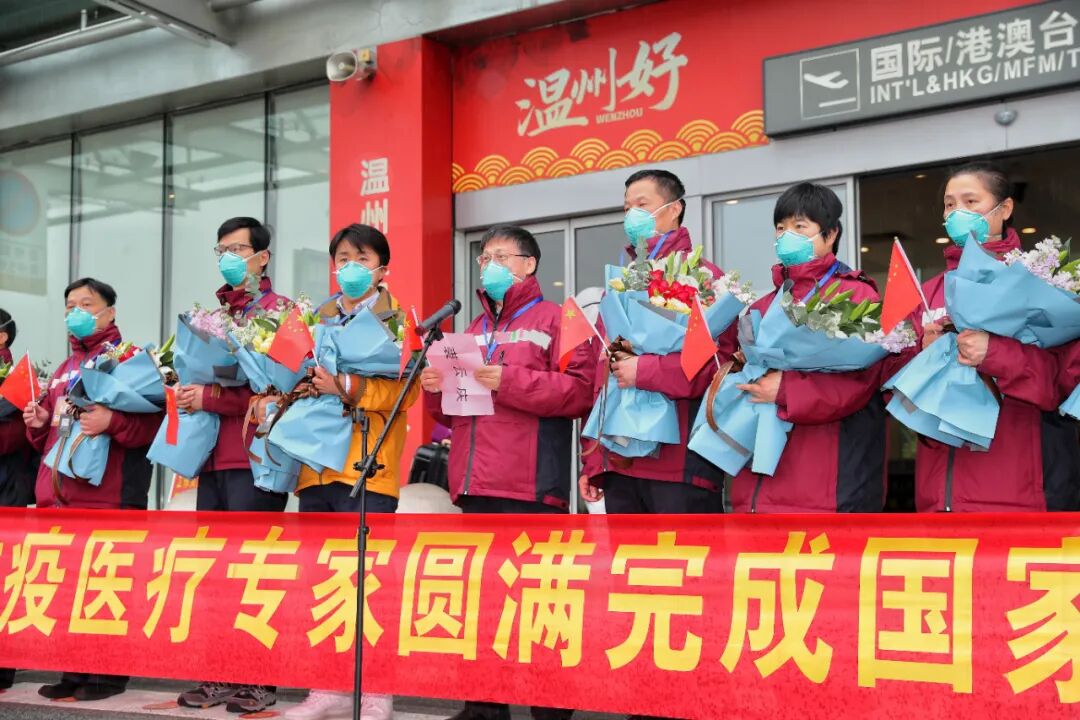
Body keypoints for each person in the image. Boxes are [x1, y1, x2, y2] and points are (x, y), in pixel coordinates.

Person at [420, 225, 595, 720]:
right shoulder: (472, 329)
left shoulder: (559, 318)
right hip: (475, 482)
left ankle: (550, 709)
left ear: (529, 264)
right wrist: (434, 388)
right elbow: (452, 412)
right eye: (484, 258)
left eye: (501, 256)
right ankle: (483, 708)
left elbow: (581, 391)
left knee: (540, 600)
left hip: (531, 483)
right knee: (483, 602)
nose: (490, 266)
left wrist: (509, 380)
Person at [888, 161, 1078, 511]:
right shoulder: (929, 293)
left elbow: (1061, 384)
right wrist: (922, 354)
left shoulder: (1040, 284)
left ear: (1004, 209)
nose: (957, 212)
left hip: (1016, 496)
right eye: (949, 204)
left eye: (970, 201)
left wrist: (994, 353)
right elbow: (891, 383)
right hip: (938, 498)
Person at [285, 224, 417, 720]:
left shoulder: (399, 323)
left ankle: (376, 690)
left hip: (368, 468)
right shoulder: (314, 318)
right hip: (315, 470)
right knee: (321, 584)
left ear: (383, 269)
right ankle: (326, 687)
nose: (351, 267)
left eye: (361, 258)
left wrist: (347, 385)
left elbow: (406, 392)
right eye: (342, 258)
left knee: (369, 585)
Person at [23, 279, 162, 702]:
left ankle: (107, 674)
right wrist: (39, 422)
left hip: (109, 496)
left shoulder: (129, 360)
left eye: (86, 304)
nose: (76, 312)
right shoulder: (65, 369)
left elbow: (152, 427)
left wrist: (112, 421)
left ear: (110, 312)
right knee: (68, 589)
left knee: (106, 585)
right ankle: (73, 669)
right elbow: (52, 437)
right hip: (59, 497)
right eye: (70, 306)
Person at [174, 217, 291, 714]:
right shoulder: (213, 317)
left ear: (263, 257)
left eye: (238, 249)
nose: (229, 258)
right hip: (213, 460)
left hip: (256, 460)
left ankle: (260, 678)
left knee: (254, 573)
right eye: (222, 249)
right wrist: (185, 391)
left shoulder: (281, 313)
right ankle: (218, 672)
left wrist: (211, 397)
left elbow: (280, 390)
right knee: (216, 574)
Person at [727, 183, 887, 512]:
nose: (787, 235)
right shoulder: (762, 305)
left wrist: (786, 389)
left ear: (831, 233)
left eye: (800, 226)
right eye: (781, 227)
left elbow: (862, 383)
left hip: (825, 487)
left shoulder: (855, 296)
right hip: (758, 484)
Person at [579, 169, 729, 517]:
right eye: (626, 207)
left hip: (681, 462)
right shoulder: (620, 283)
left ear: (674, 208)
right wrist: (594, 459)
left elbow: (717, 367)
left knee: (683, 553)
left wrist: (644, 370)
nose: (632, 214)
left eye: (642, 204)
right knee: (626, 553)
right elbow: (602, 374)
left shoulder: (704, 278)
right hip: (621, 461)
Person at [0, 308, 34, 692]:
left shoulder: (18, 379)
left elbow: (16, 437)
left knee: (4, 580)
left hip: (8, 490)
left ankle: (3, 665)